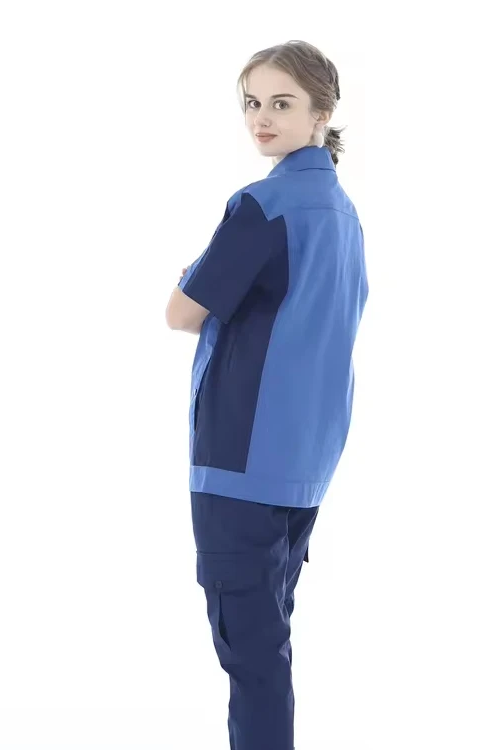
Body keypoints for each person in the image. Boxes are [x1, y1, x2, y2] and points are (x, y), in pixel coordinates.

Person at [165, 40, 368, 750]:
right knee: (267, 648)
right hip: (305, 462)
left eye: (282, 103)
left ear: (321, 112)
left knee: (251, 660)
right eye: (253, 103)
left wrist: (192, 278)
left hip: (240, 462)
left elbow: (180, 311)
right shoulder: (343, 213)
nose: (262, 118)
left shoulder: (264, 205)